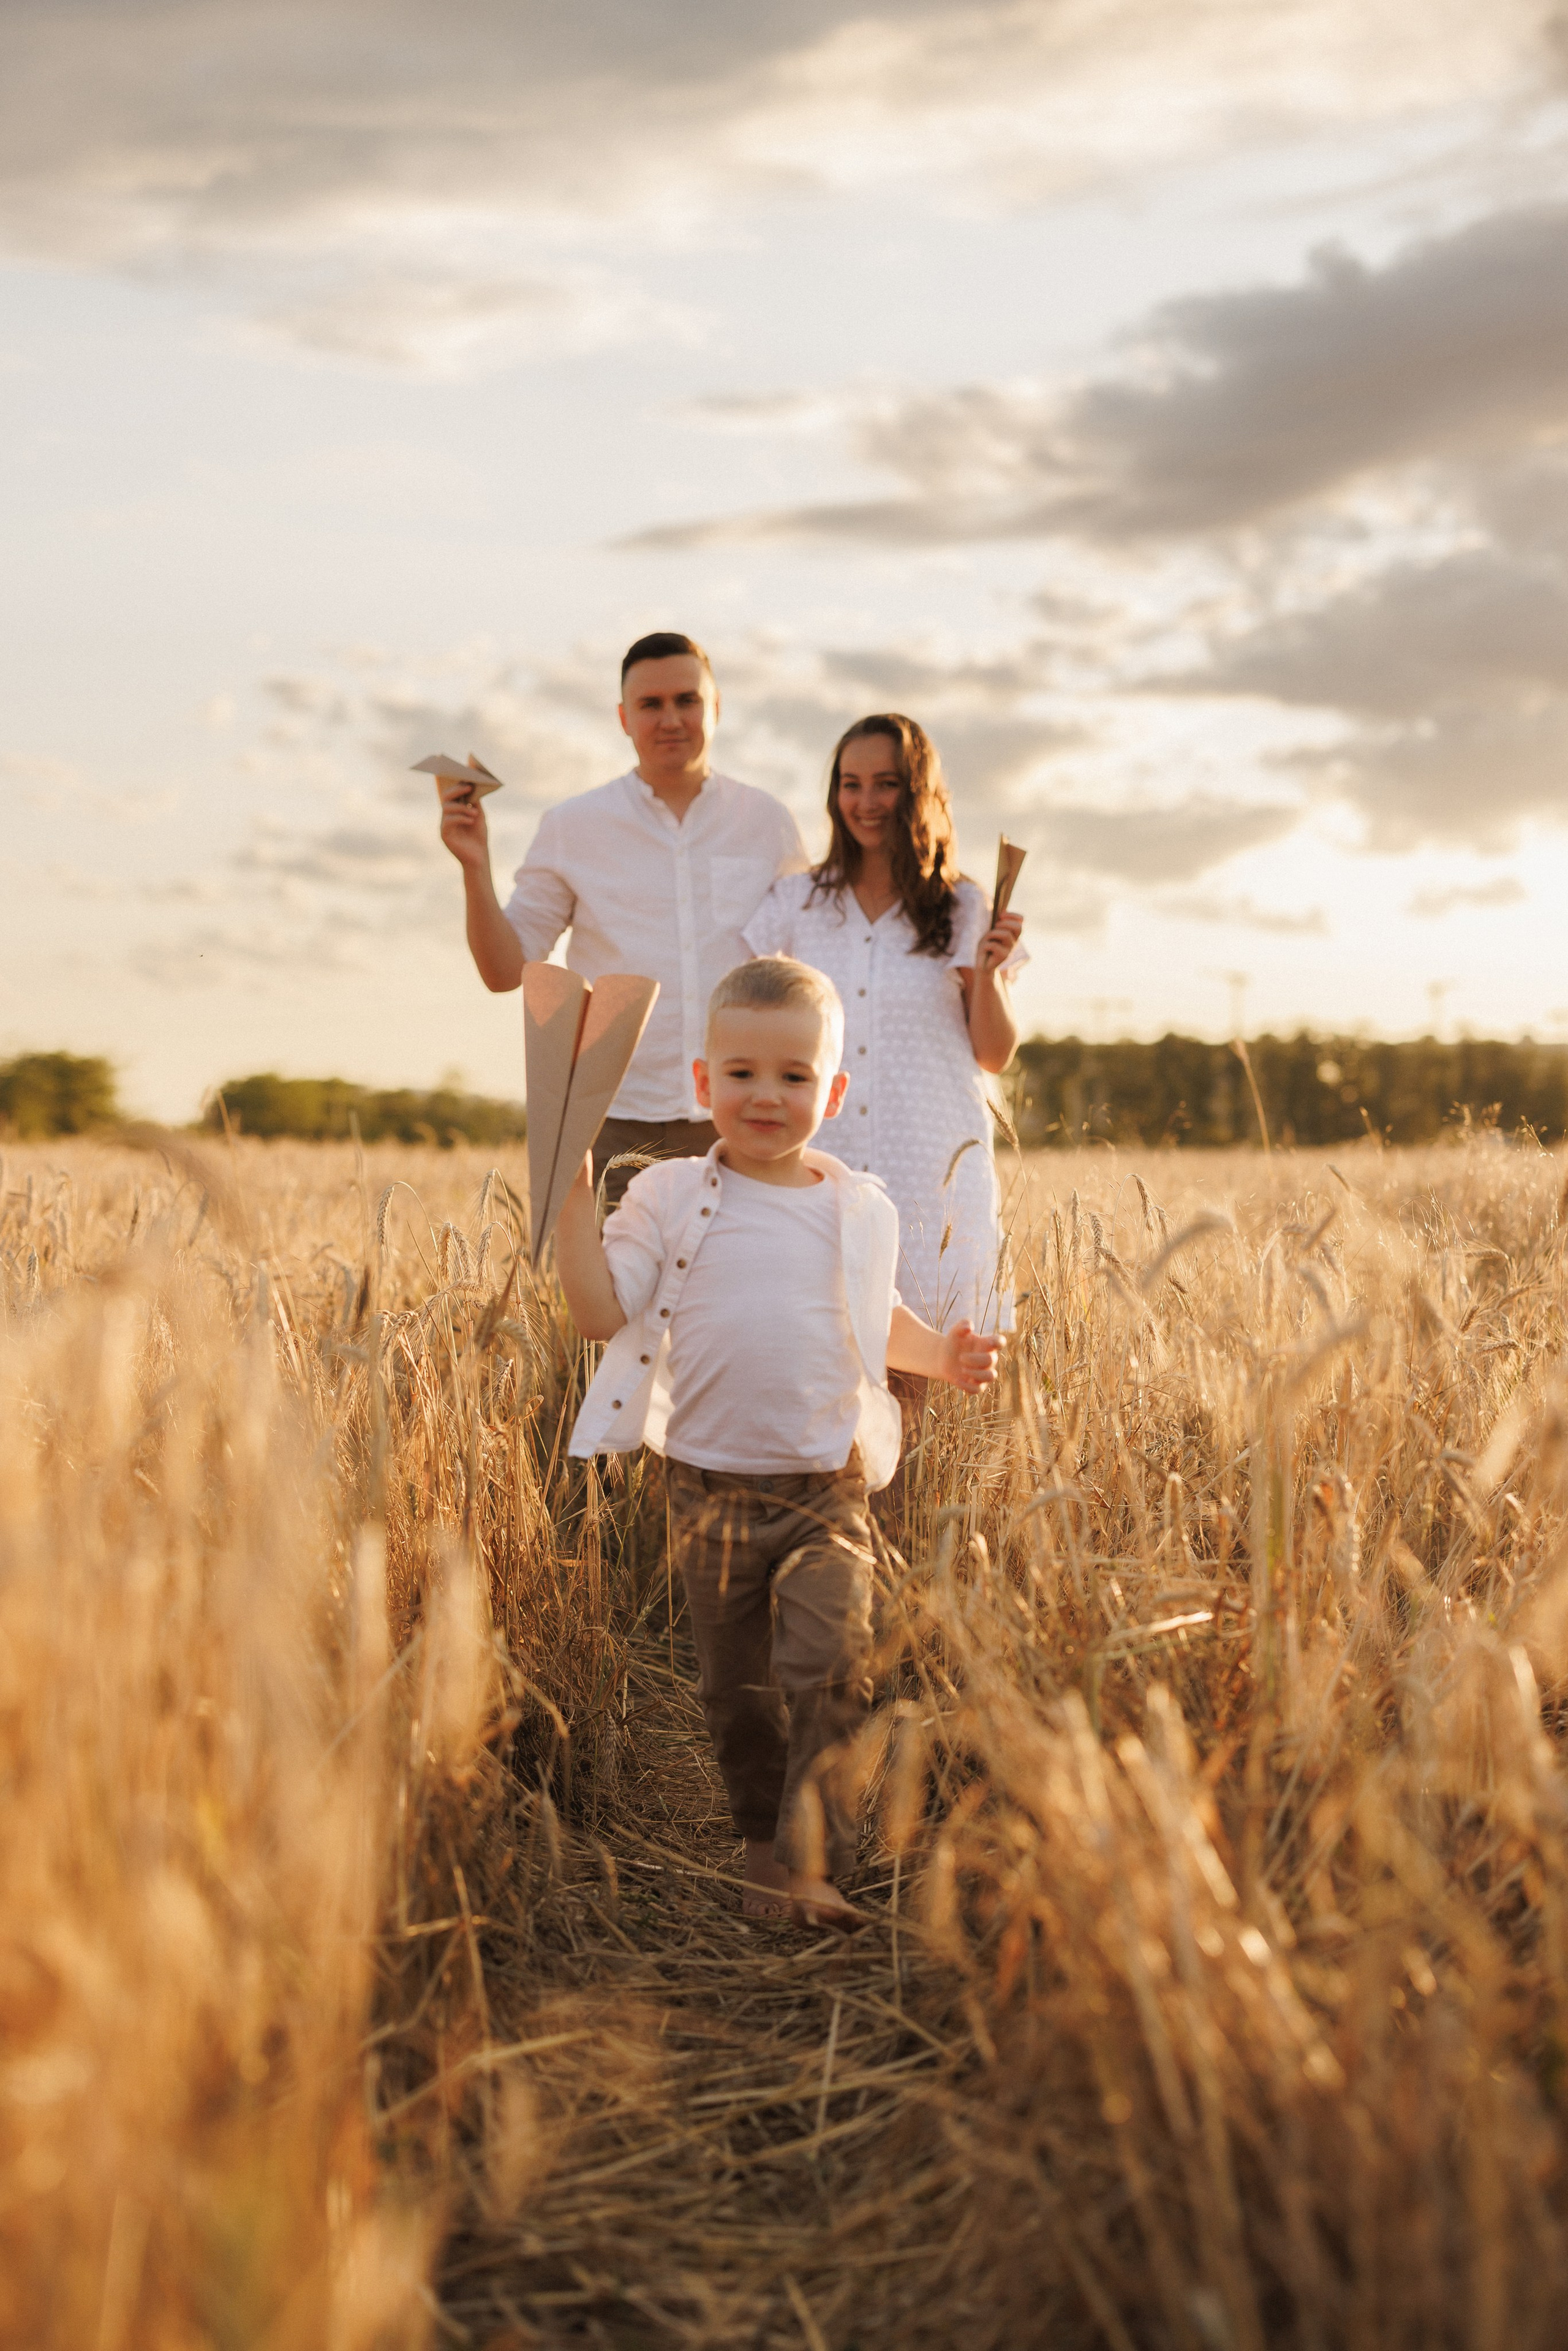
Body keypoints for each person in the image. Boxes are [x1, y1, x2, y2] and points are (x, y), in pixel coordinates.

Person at [553, 956, 1002, 1927]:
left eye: (795, 1076)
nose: (768, 1095)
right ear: (705, 1083)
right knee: (740, 1692)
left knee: (832, 1664)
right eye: (744, 1073)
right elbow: (601, 1313)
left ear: (832, 1092)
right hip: (707, 1488)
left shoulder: (858, 1206)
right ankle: (759, 1838)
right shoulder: (667, 1195)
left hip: (825, 1486)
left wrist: (947, 1353)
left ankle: (812, 1864)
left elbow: (878, 1317)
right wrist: (567, 1203)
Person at [438, 632, 807, 1206]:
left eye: (687, 700)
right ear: (623, 717)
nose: (670, 719)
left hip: (741, 1116)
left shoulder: (768, 823)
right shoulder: (573, 826)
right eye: (650, 705)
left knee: (734, 1296)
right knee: (610, 1296)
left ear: (716, 708)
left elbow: (805, 963)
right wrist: (474, 867)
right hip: (611, 1118)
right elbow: (505, 970)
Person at [743, 712, 1025, 1334]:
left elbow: (994, 1052)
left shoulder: (964, 905)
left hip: (934, 1162)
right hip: (825, 1164)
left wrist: (990, 971)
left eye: (886, 783)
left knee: (939, 1350)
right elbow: (745, 1012)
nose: (865, 802)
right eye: (850, 783)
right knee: (826, 1346)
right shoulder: (796, 904)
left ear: (917, 791)